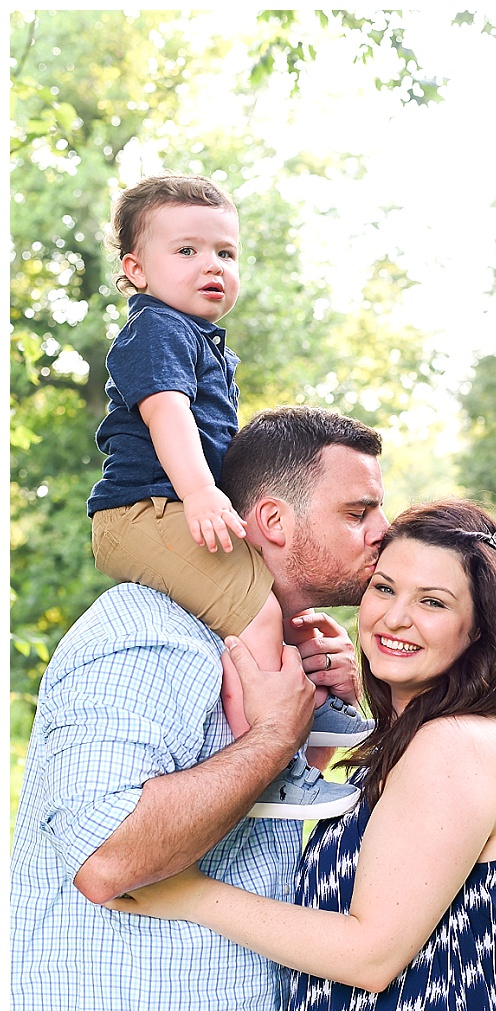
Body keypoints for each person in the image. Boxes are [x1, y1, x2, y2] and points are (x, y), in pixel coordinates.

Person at [107, 499, 496, 1011]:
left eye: (433, 602)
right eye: (385, 587)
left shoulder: (455, 744)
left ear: (478, 630)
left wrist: (187, 892)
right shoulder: (416, 738)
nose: (394, 616)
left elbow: (371, 951)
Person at [10, 406, 388, 1011]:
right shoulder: (149, 629)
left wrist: (323, 722)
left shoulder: (285, 656)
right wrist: (273, 737)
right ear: (274, 521)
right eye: (359, 511)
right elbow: (106, 853)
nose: (382, 528)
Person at [87, 172, 368, 802]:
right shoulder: (156, 331)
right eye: (185, 250)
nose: (210, 265)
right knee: (261, 615)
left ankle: (313, 722)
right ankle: (271, 770)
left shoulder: (204, 343)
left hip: (172, 507)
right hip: (142, 513)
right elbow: (167, 414)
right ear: (136, 268)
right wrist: (203, 495)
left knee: (287, 614)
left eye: (225, 252)